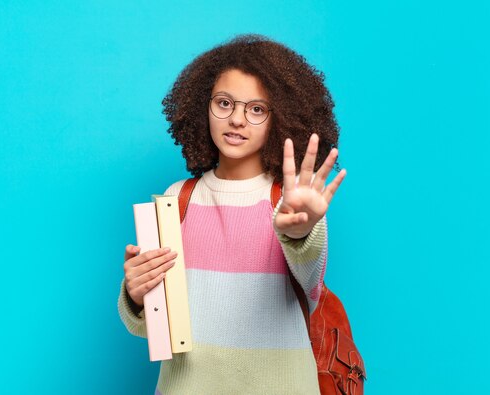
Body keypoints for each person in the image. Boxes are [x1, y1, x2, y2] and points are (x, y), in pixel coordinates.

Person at [118, 34, 346, 394]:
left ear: (280, 118)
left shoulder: (291, 203)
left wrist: (301, 232)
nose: (237, 119)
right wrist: (136, 295)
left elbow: (311, 281)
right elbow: (153, 328)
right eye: (224, 103)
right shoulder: (177, 199)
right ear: (202, 107)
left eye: (256, 109)